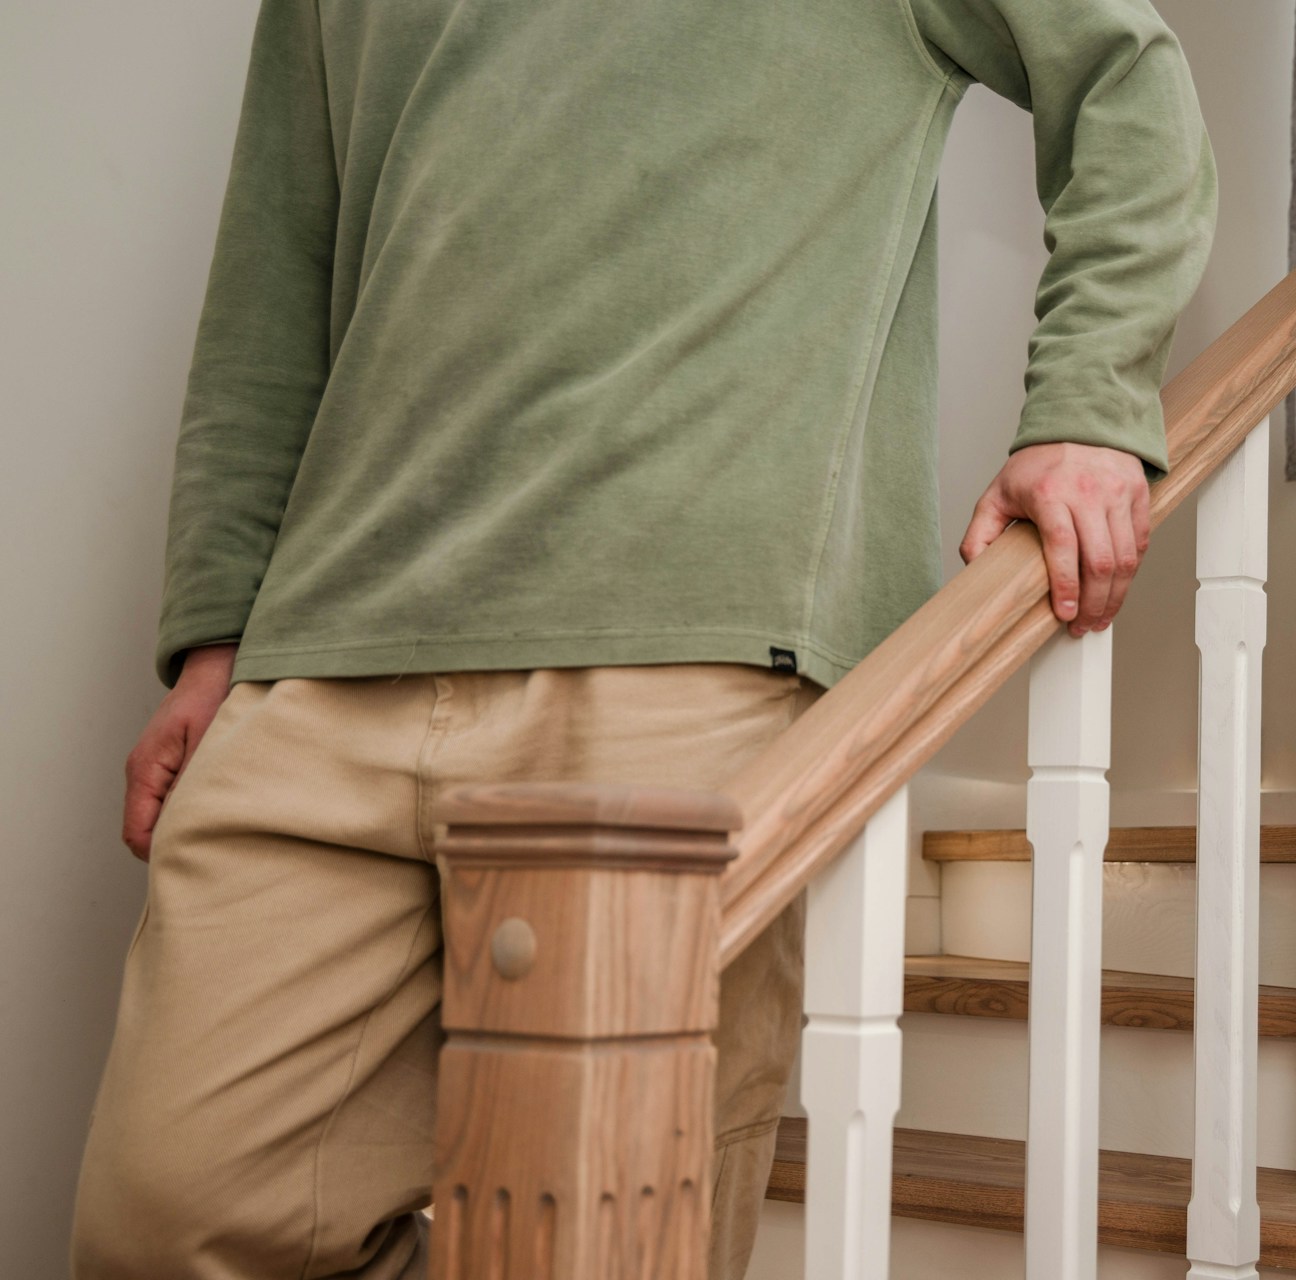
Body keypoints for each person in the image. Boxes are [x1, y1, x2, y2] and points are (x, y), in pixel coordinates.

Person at [70, 0, 1216, 1276]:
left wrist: (1090, 403)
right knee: (162, 1219)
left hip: (692, 652)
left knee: (606, 1243)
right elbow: (272, 277)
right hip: (329, 646)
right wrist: (218, 629)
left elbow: (1126, 79)